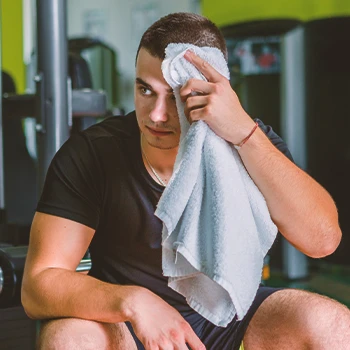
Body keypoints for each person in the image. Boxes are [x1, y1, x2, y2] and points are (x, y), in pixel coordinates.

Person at [21, 12, 350, 350]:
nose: (157, 115)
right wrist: (134, 302)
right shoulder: (93, 153)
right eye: (145, 90)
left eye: (176, 95)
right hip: (131, 325)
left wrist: (244, 134)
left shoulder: (249, 141)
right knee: (68, 338)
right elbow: (38, 285)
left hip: (232, 316)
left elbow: (323, 240)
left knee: (335, 327)